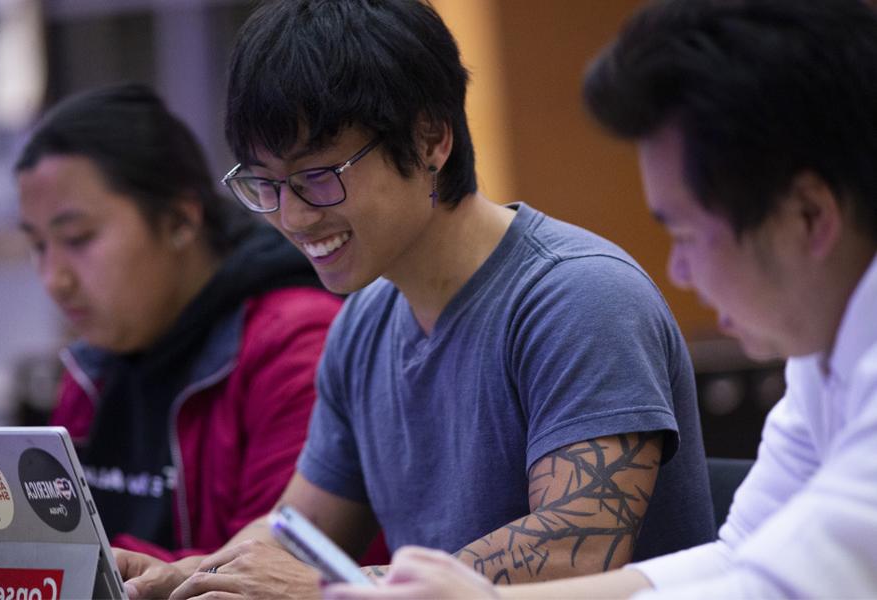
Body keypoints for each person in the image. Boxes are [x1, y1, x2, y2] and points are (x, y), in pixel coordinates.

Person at [120, 1, 715, 597]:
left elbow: (572, 550)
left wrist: (331, 590)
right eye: (265, 185)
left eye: (319, 177)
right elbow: (297, 532)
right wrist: (191, 575)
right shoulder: (364, 322)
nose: (292, 217)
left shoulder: (578, 296)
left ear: (430, 138)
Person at [322, 0, 877, 598]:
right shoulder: (822, 357)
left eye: (686, 233)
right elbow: (742, 553)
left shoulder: (579, 291)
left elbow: (769, 589)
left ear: (809, 214)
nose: (679, 270)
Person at [15, 84, 343, 563]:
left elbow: (276, 575)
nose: (54, 280)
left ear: (179, 221)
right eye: (38, 246)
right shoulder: (93, 363)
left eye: (78, 238)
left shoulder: (298, 343)